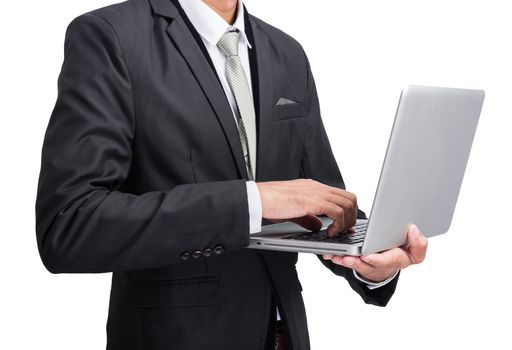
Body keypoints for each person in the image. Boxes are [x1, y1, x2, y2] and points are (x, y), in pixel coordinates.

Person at [35, 0, 428, 349]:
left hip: (282, 334)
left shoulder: (287, 53)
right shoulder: (111, 36)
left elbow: (323, 203)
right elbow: (70, 225)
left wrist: (373, 259)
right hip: (176, 337)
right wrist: (251, 201)